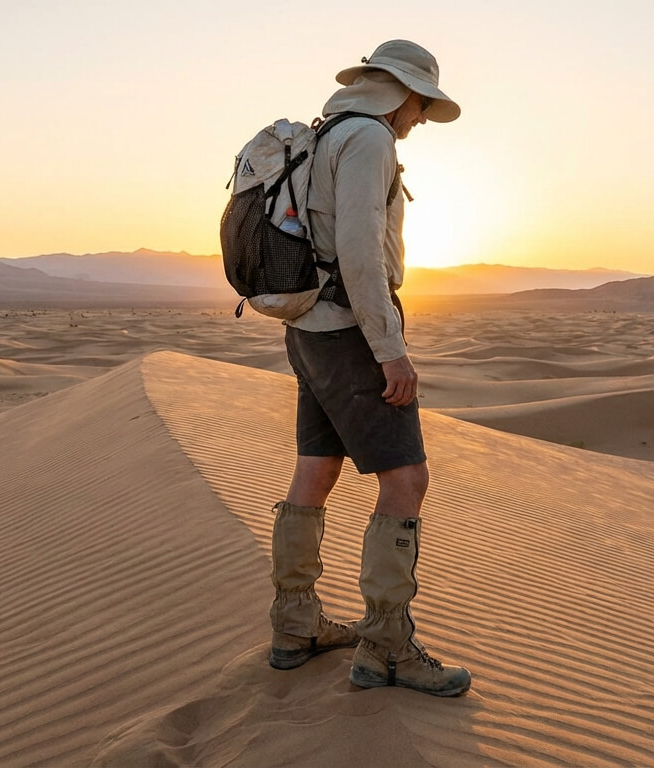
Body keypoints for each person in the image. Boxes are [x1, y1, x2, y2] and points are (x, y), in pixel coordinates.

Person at [266, 40, 471, 697]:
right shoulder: (370, 140)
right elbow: (358, 248)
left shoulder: (327, 134)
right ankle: (387, 649)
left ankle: (295, 627)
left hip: (308, 327)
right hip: (350, 329)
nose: (419, 119)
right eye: (420, 105)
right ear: (404, 93)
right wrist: (389, 348)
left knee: (316, 468)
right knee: (406, 481)